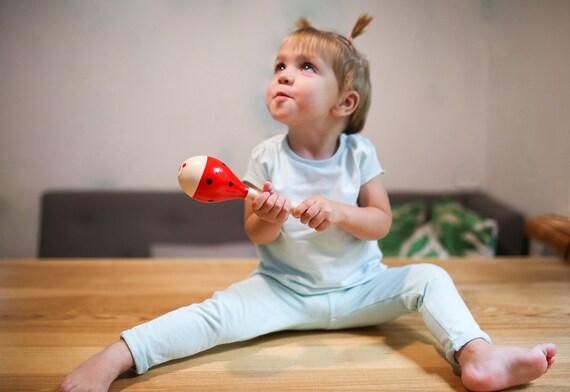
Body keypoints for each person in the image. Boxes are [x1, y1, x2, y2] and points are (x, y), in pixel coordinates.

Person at [60, 15, 556, 392]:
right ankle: (116, 356)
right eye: (279, 66)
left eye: (304, 67)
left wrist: (340, 211)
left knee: (430, 277)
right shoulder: (265, 157)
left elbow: (380, 223)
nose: (283, 75)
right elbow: (255, 232)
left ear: (344, 103)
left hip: (363, 291)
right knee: (213, 315)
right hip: (283, 292)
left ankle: (477, 356)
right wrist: (269, 219)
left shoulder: (360, 152)